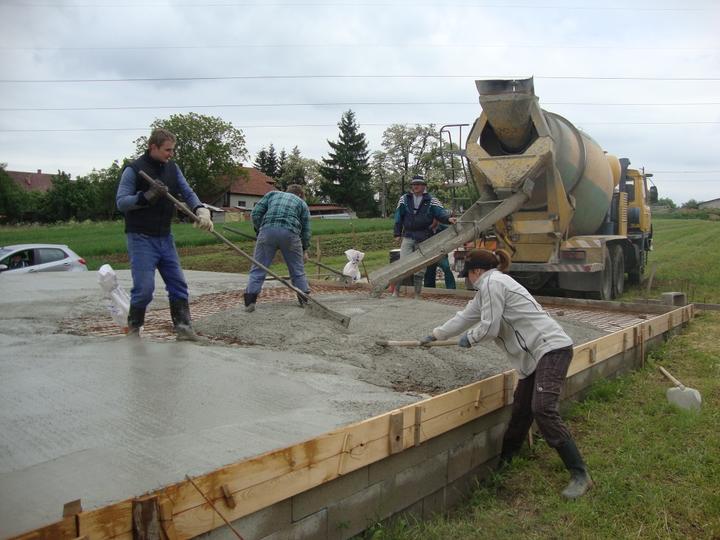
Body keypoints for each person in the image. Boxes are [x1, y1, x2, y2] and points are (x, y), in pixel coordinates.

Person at [419, 248, 593, 499]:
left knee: (543, 408)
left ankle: (579, 474)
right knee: (521, 412)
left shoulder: (493, 283)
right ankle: (505, 465)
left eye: (468, 275)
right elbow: (466, 317)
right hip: (533, 358)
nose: (468, 279)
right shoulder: (487, 288)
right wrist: (436, 334)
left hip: (550, 349)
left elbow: (489, 327)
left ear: (476, 271)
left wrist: (471, 338)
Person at [116, 128, 214, 341]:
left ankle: (184, 329)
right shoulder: (134, 170)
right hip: (141, 237)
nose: (171, 154)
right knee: (144, 289)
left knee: (178, 284)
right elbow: (121, 202)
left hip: (165, 237)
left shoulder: (172, 168)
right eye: (167, 150)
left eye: (172, 150)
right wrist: (146, 196)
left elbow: (187, 192)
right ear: (153, 147)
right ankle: (133, 329)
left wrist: (200, 209)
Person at [243, 184, 311, 312]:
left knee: (258, 268)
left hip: (267, 231)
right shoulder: (302, 203)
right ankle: (304, 300)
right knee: (297, 270)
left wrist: (260, 231)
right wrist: (304, 250)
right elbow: (306, 231)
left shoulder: (272, 194)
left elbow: (256, 213)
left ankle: (250, 302)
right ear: (300, 195)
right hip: (291, 234)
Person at [393, 174, 456, 298]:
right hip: (408, 235)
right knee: (402, 264)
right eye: (413, 184)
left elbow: (440, 213)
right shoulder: (404, 199)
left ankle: (417, 294)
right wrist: (397, 233)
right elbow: (398, 216)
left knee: (420, 268)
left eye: (418, 184)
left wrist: (448, 219)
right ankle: (396, 291)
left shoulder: (432, 200)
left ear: (424, 186)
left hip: (424, 237)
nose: (415, 187)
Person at [423, 222, 456, 290]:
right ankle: (429, 290)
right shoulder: (425, 228)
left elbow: (453, 235)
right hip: (430, 255)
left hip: (441, 254)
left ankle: (451, 288)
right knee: (429, 272)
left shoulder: (444, 228)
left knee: (446, 268)